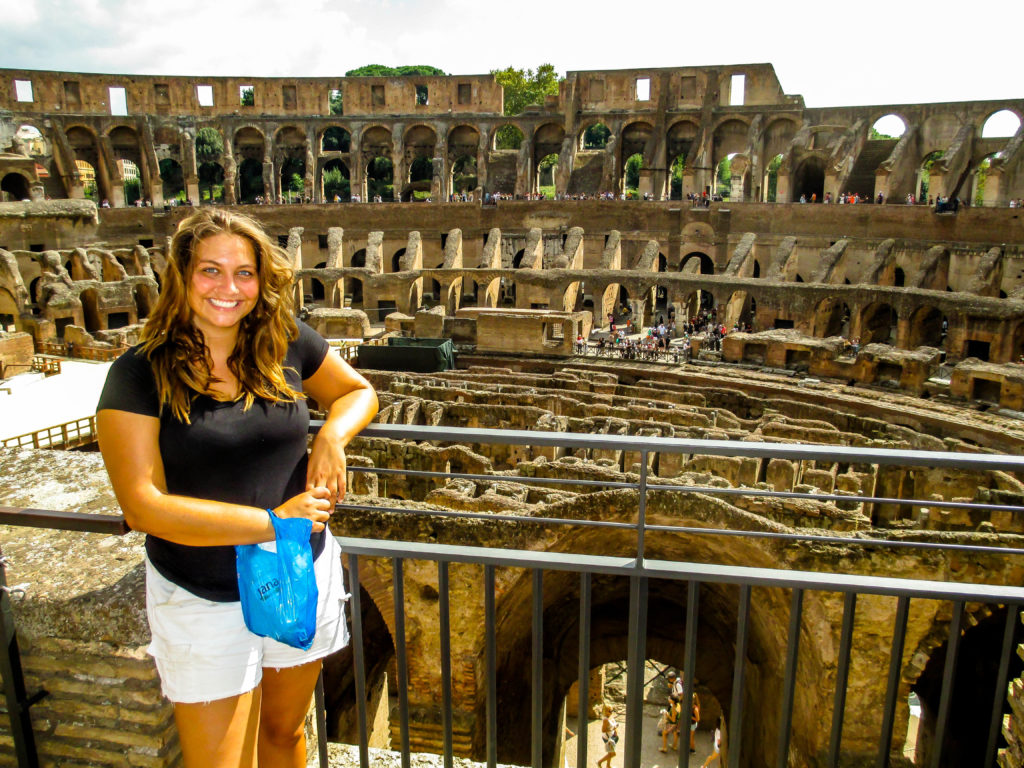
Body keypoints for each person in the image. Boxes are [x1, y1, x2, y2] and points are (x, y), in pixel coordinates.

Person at [95, 209, 379, 768]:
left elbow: (358, 393)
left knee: (285, 733)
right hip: (204, 593)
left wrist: (331, 439)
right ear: (180, 276)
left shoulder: (285, 340)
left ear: (261, 279)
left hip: (298, 573)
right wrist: (275, 522)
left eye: (244, 272)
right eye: (210, 271)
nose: (228, 288)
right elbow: (144, 507)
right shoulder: (137, 374)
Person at [598, 704, 618, 768]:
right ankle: (599, 762)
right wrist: (612, 729)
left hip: (612, 737)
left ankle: (608, 765)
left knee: (610, 753)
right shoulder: (606, 720)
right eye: (610, 711)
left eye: (612, 710)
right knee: (613, 754)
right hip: (608, 738)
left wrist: (615, 728)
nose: (611, 712)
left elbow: (614, 726)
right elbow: (603, 730)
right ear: (606, 711)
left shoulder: (611, 717)